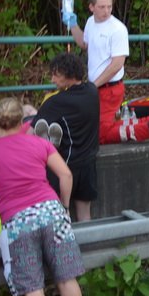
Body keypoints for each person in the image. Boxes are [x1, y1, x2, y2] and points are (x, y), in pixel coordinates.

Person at [0, 97, 85, 296]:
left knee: (33, 287)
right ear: (22, 122)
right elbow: (65, 175)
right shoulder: (40, 143)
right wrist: (63, 207)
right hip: (52, 212)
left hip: (18, 222)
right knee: (67, 278)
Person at [65, 0, 149, 144]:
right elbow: (84, 44)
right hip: (98, 86)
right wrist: (72, 24)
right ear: (91, 7)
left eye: (109, 6)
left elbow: (117, 64)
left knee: (101, 134)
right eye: (102, 7)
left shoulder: (117, 29)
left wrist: (93, 85)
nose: (106, 11)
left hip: (109, 88)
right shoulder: (90, 22)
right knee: (100, 127)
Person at [30, 53, 100, 222]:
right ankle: (89, 245)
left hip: (64, 168)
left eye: (56, 74)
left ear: (68, 74)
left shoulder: (55, 102)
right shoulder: (92, 91)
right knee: (85, 215)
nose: (52, 79)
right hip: (89, 165)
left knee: (59, 216)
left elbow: (29, 134)